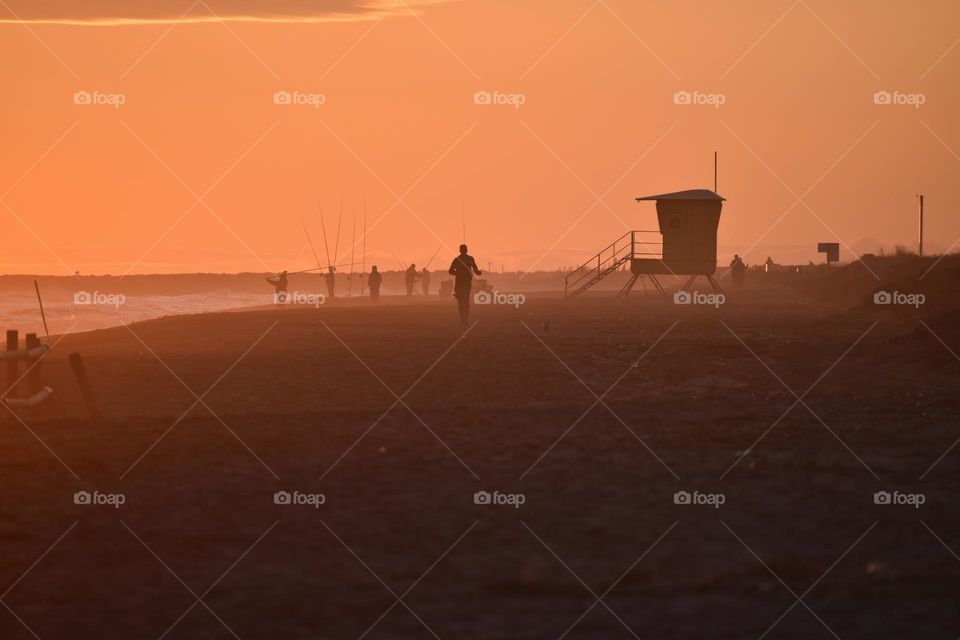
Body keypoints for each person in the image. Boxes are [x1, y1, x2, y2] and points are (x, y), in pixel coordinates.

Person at [448, 244, 481, 325]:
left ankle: (463, 319)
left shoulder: (456, 259)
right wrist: (478, 273)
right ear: (466, 250)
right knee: (466, 301)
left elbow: (450, 271)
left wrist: (458, 273)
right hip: (466, 283)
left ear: (460, 250)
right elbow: (476, 271)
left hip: (459, 283)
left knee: (460, 302)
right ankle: (465, 320)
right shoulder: (470, 259)